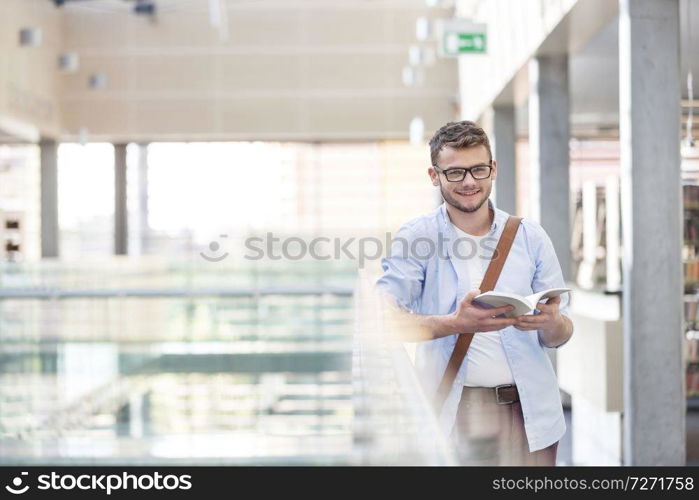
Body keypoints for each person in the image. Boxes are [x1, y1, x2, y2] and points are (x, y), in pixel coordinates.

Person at [376, 120, 573, 466]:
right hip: (452, 414)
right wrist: (455, 322)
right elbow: (384, 323)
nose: (469, 181)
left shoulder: (530, 236)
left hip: (530, 416)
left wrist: (551, 321)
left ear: (493, 169)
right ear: (434, 176)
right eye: (455, 173)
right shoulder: (416, 237)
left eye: (478, 169)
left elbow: (561, 334)